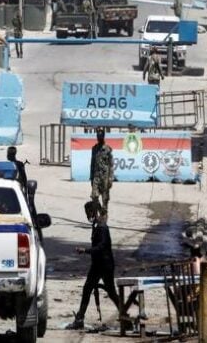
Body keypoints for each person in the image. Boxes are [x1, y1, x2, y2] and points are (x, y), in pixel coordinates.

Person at [68, 201, 122, 330]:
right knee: (87, 289)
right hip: (97, 265)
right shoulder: (97, 225)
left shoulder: (102, 227)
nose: (88, 215)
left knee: (111, 292)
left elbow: (102, 246)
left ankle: (125, 315)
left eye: (89, 212)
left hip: (105, 265)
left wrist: (86, 251)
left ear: (95, 212)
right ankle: (80, 318)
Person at [90, 129, 114, 217]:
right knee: (94, 196)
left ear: (103, 137)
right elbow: (92, 163)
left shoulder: (107, 149)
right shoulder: (94, 149)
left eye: (100, 136)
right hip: (96, 176)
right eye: (97, 136)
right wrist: (91, 177)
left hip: (105, 177)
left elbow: (111, 165)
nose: (99, 138)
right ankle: (100, 211)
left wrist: (111, 178)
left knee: (105, 199)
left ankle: (103, 214)